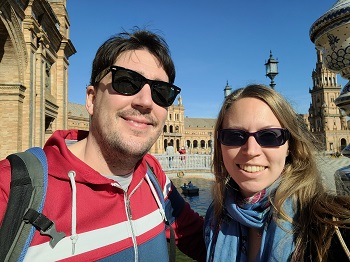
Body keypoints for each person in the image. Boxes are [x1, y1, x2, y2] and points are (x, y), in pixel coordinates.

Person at [0, 29, 206, 261]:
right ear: (92, 99)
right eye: (127, 82)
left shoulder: (152, 175)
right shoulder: (13, 187)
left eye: (161, 92)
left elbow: (210, 243)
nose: (146, 101)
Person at [204, 84, 350, 261]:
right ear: (220, 145)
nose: (251, 150)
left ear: (290, 146)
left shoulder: (334, 225)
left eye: (269, 136)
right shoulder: (215, 217)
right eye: (234, 136)